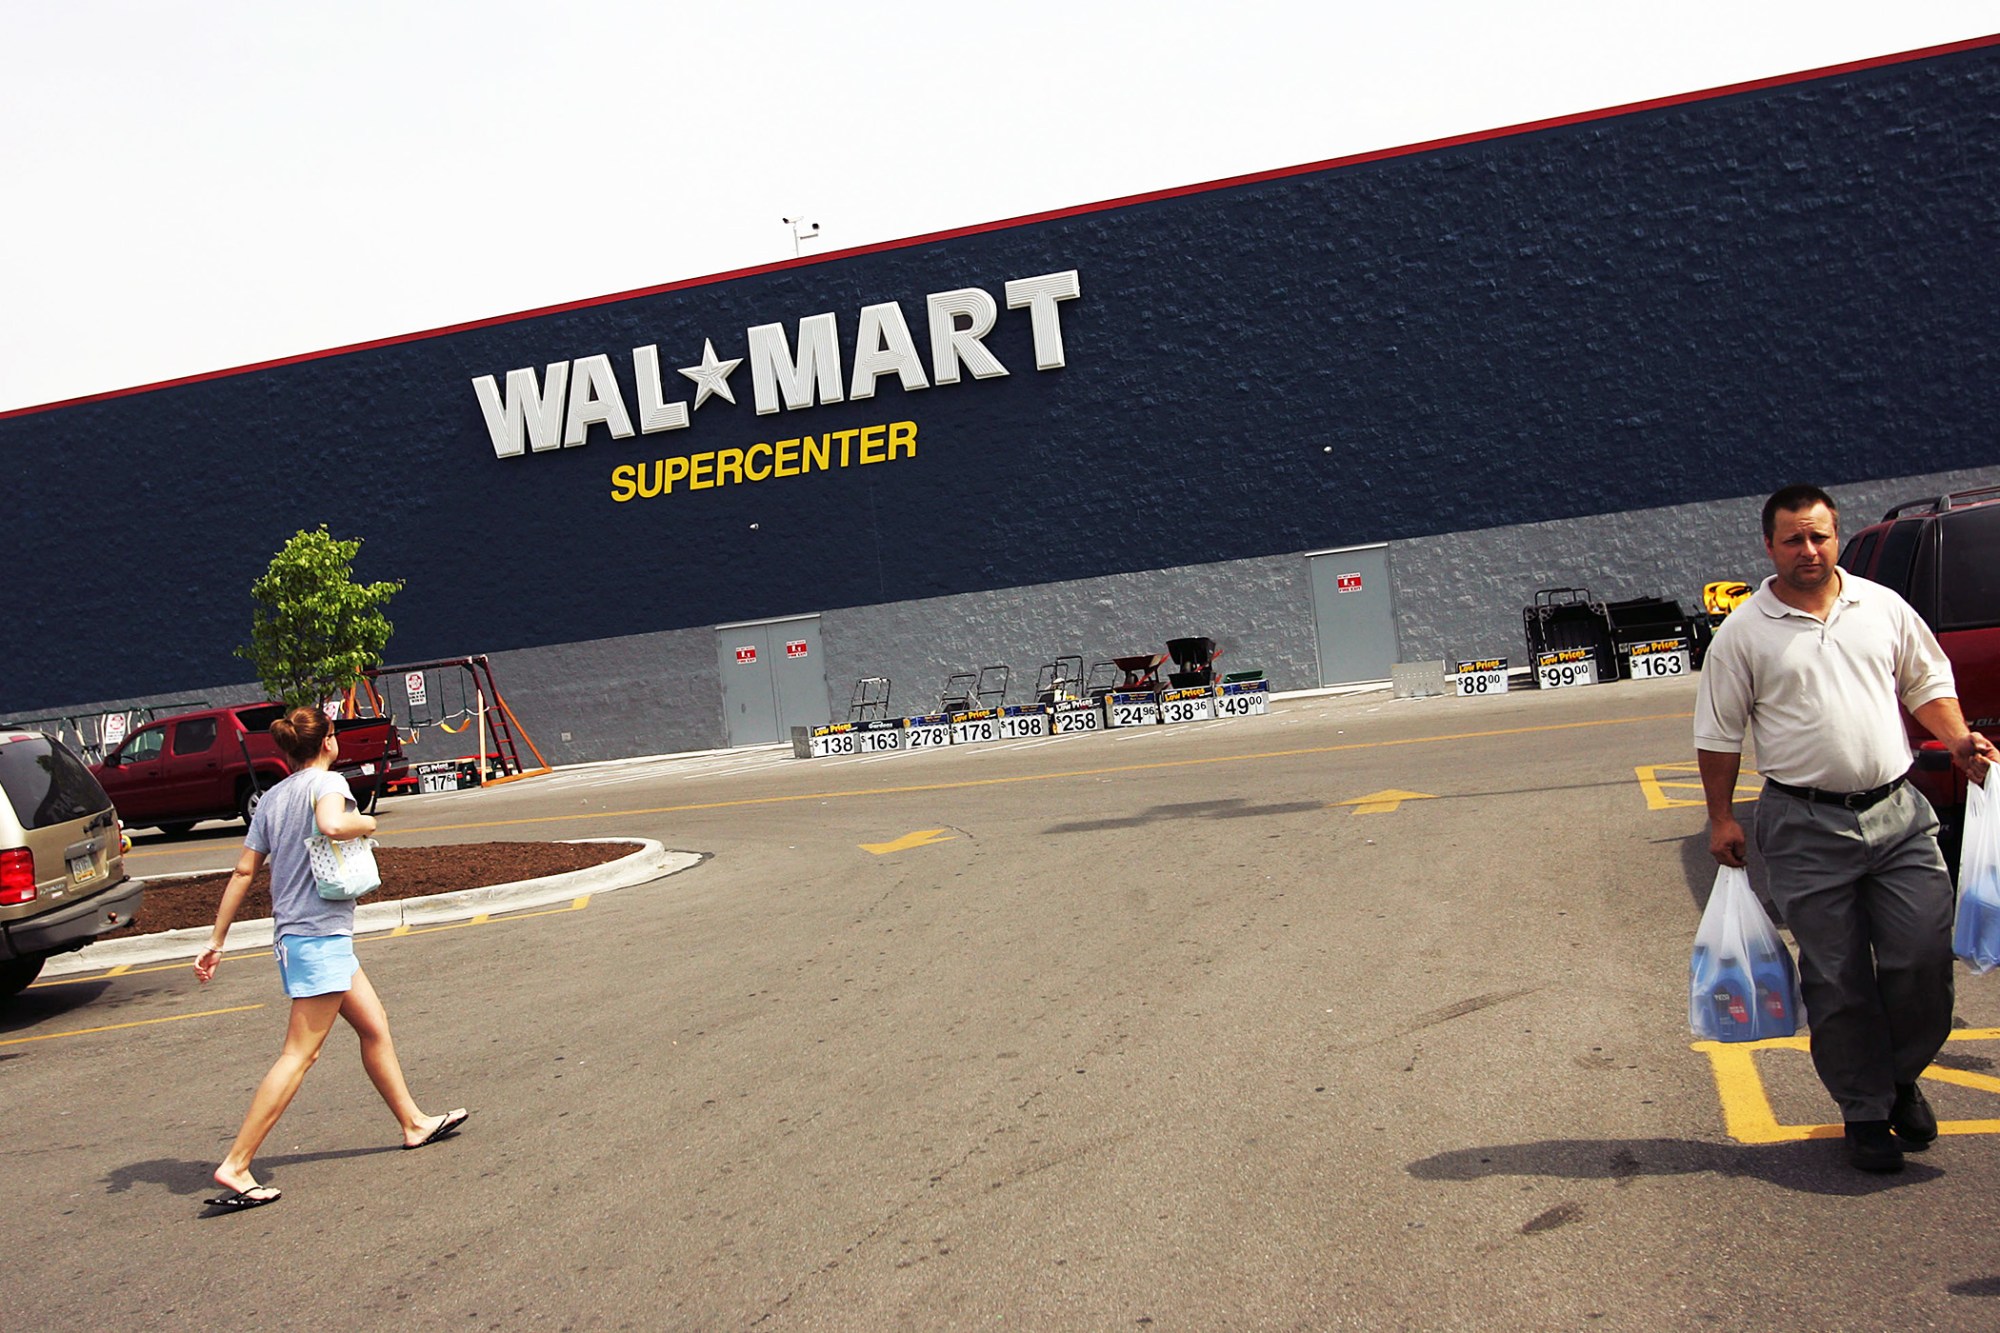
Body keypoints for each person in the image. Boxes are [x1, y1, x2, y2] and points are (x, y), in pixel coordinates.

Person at [1695, 484, 1995, 1173]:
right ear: (1769, 547)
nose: (1809, 550)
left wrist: (1957, 740)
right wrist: (1720, 817)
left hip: (1899, 813)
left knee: (1923, 955)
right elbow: (1718, 735)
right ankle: (1864, 1110)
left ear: (1836, 536)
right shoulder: (1744, 632)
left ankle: (1900, 1075)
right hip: (1803, 823)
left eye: (1819, 536)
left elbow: (1926, 682)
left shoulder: (1881, 607)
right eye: (1793, 539)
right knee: (1837, 976)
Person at [194, 706, 468, 1209]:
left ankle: (413, 1123)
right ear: (327, 743)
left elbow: (242, 872)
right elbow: (331, 824)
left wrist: (216, 941)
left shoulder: (272, 798)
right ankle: (236, 1164)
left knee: (374, 1027)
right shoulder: (329, 784)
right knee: (300, 1054)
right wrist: (365, 821)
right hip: (317, 939)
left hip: (304, 937)